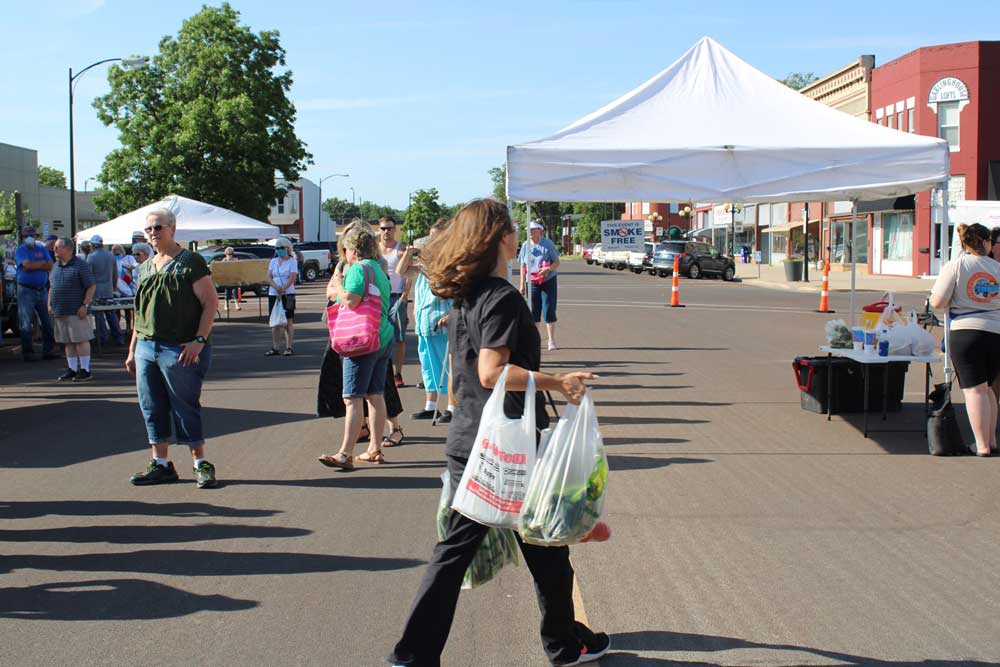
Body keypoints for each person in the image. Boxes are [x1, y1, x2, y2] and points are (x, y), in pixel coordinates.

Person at [388, 199, 608, 667]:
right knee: (543, 547)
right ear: (500, 238)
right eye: (510, 228)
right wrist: (559, 382)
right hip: (506, 449)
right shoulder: (502, 298)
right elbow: (492, 371)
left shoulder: (469, 294)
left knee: (468, 554)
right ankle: (563, 644)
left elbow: (460, 374)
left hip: (472, 440)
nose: (515, 235)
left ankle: (415, 656)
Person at [126, 207, 219, 488]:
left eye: (158, 227)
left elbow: (210, 303)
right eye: (149, 229)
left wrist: (199, 341)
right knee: (151, 406)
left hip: (178, 348)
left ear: (172, 228)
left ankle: (200, 463)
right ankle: (161, 464)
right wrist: (132, 350)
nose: (153, 233)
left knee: (185, 405)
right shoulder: (145, 267)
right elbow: (139, 312)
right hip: (146, 346)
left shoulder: (191, 262)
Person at [318, 223, 395, 469]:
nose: (346, 254)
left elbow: (350, 300)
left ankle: (345, 453)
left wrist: (338, 286)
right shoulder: (377, 269)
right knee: (376, 394)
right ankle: (375, 448)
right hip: (381, 335)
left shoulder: (358, 270)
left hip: (360, 340)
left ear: (353, 249)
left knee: (352, 397)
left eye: (346, 249)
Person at [930, 222, 1000, 457]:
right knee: (988, 388)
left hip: (966, 332)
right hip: (996, 332)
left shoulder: (956, 265)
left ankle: (981, 445)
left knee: (974, 391)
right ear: (987, 242)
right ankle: (991, 439)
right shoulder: (997, 268)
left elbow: (938, 302)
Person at [398, 217, 455, 421]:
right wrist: (409, 252)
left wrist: (451, 315)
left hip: (441, 323)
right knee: (429, 366)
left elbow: (462, 294)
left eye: (435, 238)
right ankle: (431, 406)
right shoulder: (423, 267)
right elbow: (401, 271)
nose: (431, 243)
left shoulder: (450, 264)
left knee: (447, 366)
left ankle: (452, 407)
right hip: (424, 325)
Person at [49, 237, 96, 382]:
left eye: (58, 247)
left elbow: (91, 286)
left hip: (76, 309)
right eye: (54, 247)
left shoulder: (80, 265)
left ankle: (85, 369)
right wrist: (49, 303)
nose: (54, 250)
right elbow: (51, 286)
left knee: (81, 340)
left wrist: (85, 305)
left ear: (68, 249)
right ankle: (73, 368)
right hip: (60, 310)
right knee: (67, 342)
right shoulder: (55, 266)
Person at [14, 225, 58, 362]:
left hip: (41, 289)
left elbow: (51, 265)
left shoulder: (42, 249)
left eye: (31, 235)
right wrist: (41, 264)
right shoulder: (20, 250)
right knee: (26, 323)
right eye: (26, 236)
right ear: (22, 238)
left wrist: (34, 265)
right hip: (26, 290)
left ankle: (48, 350)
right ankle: (28, 352)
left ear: (35, 236)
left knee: (47, 322)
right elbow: (26, 266)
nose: (29, 238)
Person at [518, 220, 561, 350]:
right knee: (533, 312)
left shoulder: (547, 244)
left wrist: (548, 269)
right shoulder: (526, 245)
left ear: (539, 231)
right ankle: (534, 341)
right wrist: (522, 284)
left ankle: (551, 340)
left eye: (533, 230)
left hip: (548, 280)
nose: (530, 232)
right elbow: (523, 265)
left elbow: (557, 262)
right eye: (528, 230)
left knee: (548, 309)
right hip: (531, 281)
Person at [379, 215, 411, 387]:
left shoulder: (401, 249)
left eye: (390, 228)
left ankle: (398, 374)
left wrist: (405, 296)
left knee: (399, 338)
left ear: (395, 230)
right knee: (380, 337)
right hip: (379, 299)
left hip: (396, 297)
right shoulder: (375, 250)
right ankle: (383, 372)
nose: (386, 232)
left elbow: (409, 274)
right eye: (383, 228)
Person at [86, 234, 124, 346]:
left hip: (96, 290)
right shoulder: (110, 256)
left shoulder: (91, 257)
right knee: (111, 314)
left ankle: (103, 338)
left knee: (99, 316)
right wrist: (114, 287)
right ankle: (118, 336)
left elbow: (89, 276)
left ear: (93, 245)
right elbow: (115, 273)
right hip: (108, 289)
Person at [266, 237, 298, 356]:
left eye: (282, 248)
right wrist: (276, 287)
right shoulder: (273, 261)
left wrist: (283, 289)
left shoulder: (292, 261)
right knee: (275, 321)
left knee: (288, 321)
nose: (279, 250)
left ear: (288, 249)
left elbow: (292, 278)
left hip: (288, 294)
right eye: (277, 248)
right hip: (273, 293)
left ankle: (289, 347)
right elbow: (268, 277)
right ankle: (275, 347)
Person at [220, 247, 242, 311]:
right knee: (227, 292)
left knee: (234, 291)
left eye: (231, 254)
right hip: (227, 278)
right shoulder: (224, 261)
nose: (229, 255)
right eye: (228, 254)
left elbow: (238, 268)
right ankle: (226, 305)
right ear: (225, 254)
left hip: (234, 278)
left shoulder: (235, 260)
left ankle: (236, 305)